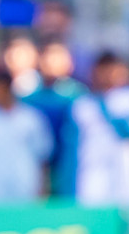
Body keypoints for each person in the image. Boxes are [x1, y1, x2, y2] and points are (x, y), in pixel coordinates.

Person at [72, 51, 129, 207]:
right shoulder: (83, 104)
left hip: (126, 168)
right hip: (93, 169)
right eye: (103, 70)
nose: (108, 75)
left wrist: (105, 105)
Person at [0, 67, 52, 202]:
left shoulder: (31, 118)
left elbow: (43, 157)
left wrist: (43, 189)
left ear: (6, 88)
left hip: (26, 187)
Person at [27, 39, 87, 196]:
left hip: (69, 163)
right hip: (36, 164)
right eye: (48, 57)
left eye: (58, 57)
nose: (52, 62)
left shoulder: (78, 96)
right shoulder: (29, 98)